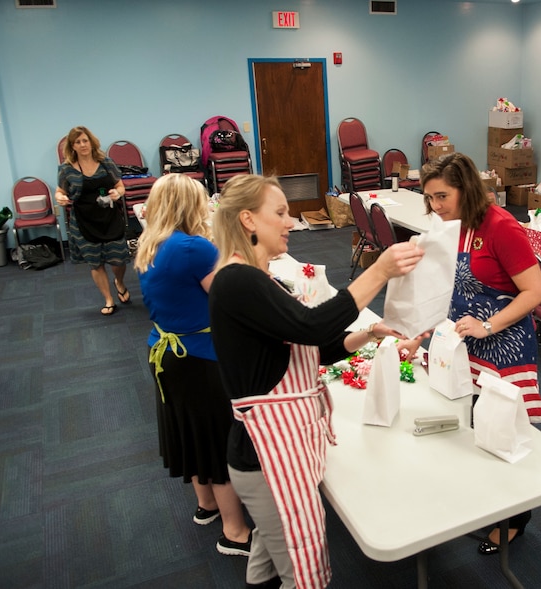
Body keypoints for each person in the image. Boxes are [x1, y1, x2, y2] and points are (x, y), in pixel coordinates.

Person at [208, 174, 424, 589]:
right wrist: (377, 272)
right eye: (281, 213)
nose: (291, 222)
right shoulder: (238, 280)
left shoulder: (257, 278)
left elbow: (312, 349)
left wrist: (369, 334)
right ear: (249, 220)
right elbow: (309, 326)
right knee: (300, 570)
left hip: (270, 448)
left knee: (269, 558)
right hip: (264, 455)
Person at [402, 152, 541, 555]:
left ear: (466, 189)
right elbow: (447, 292)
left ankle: (517, 519)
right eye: (429, 198)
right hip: (465, 344)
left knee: (504, 432)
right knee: (472, 427)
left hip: (503, 346)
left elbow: (535, 293)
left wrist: (489, 325)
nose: (435, 206)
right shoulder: (452, 226)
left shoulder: (502, 227)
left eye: (442, 196)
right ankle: (487, 502)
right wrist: (421, 334)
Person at [133, 173, 252, 556]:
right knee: (217, 442)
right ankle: (235, 533)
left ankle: (207, 506)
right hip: (199, 358)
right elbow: (230, 297)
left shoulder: (152, 243)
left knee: (191, 433)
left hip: (166, 353)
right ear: (192, 205)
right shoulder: (191, 248)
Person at [55, 126, 131, 315]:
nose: (82, 145)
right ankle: (108, 299)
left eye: (85, 140)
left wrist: (117, 193)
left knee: (119, 259)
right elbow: (60, 191)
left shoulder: (106, 162)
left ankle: (119, 282)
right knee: (96, 263)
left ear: (91, 142)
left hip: (109, 218)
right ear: (72, 146)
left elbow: (120, 186)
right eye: (77, 142)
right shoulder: (66, 170)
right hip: (83, 221)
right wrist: (60, 198)